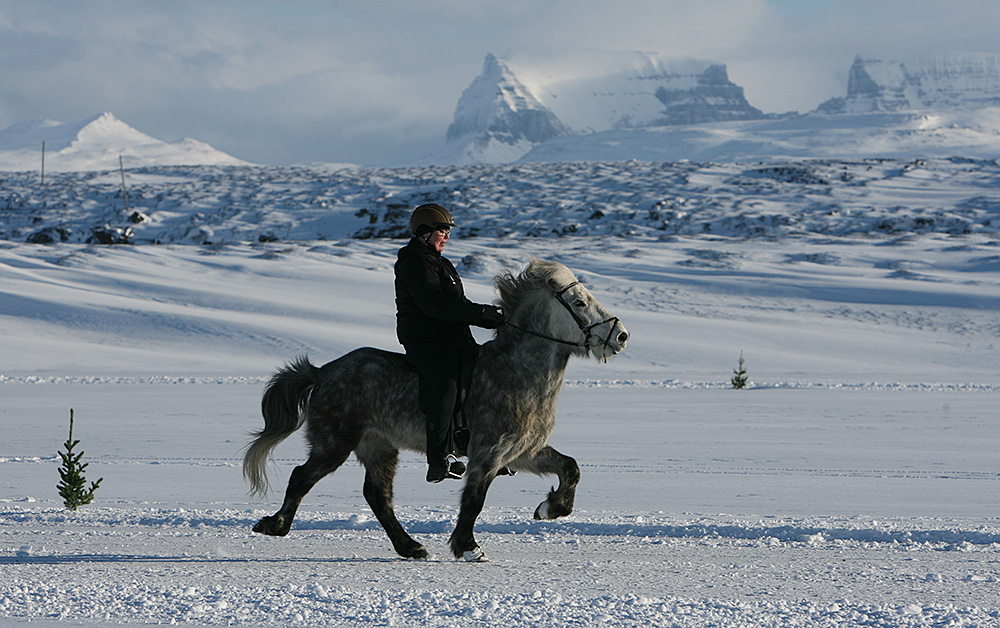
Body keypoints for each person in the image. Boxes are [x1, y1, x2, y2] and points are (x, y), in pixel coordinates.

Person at [394, 203, 505, 483]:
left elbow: (457, 304)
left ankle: (486, 448)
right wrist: (479, 314)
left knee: (485, 378)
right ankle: (438, 459)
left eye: (447, 231)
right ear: (423, 232)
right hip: (426, 339)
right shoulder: (414, 261)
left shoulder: (440, 262)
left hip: (453, 337)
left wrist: (492, 316)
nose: (446, 236)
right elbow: (433, 304)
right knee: (446, 387)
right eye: (442, 230)